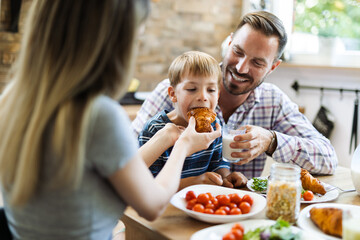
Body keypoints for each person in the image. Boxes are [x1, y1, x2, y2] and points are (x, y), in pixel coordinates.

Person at [0, 1, 221, 239]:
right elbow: (152, 205)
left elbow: (114, 172)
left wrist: (164, 138)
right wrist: (183, 146)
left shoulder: (12, 98)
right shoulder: (99, 114)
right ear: (110, 44)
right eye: (135, 38)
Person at [132, 11, 338, 179]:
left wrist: (270, 141)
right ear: (229, 43)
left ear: (273, 67)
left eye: (257, 62)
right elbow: (125, 163)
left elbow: (328, 158)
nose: (241, 67)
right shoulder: (173, 91)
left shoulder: (273, 101)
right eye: (238, 52)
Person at [138, 51, 247, 189]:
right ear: (173, 94)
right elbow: (147, 183)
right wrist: (195, 181)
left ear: (218, 95)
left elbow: (218, 163)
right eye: (192, 89)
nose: (203, 96)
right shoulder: (155, 129)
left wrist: (226, 177)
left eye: (211, 90)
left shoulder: (213, 127)